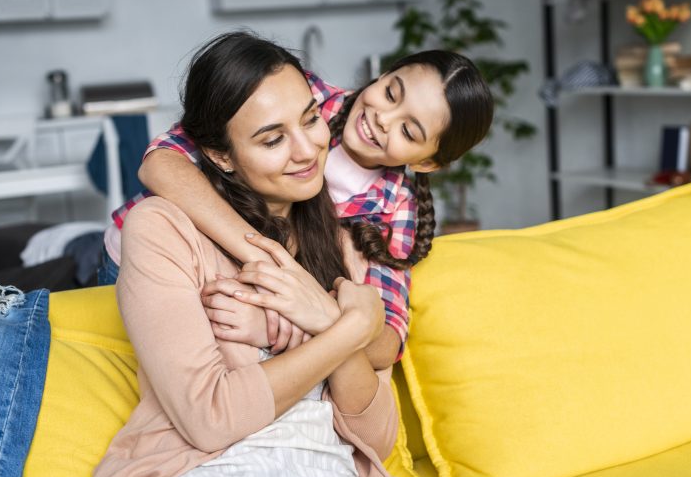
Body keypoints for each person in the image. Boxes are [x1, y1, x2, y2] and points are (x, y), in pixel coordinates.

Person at [83, 32, 430, 477]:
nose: (307, 151)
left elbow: (377, 436)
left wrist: (321, 320)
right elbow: (212, 418)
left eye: (311, 120)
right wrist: (348, 329)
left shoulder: (348, 244)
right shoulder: (163, 231)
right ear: (220, 155)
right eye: (273, 139)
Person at [99, 35, 494, 367]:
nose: (382, 119)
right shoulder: (305, 95)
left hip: (233, 292)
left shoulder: (395, 208)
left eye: (408, 130)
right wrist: (269, 260)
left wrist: (310, 315)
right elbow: (160, 164)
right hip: (146, 255)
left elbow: (387, 340)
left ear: (427, 161)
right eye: (391, 92)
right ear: (384, 74)